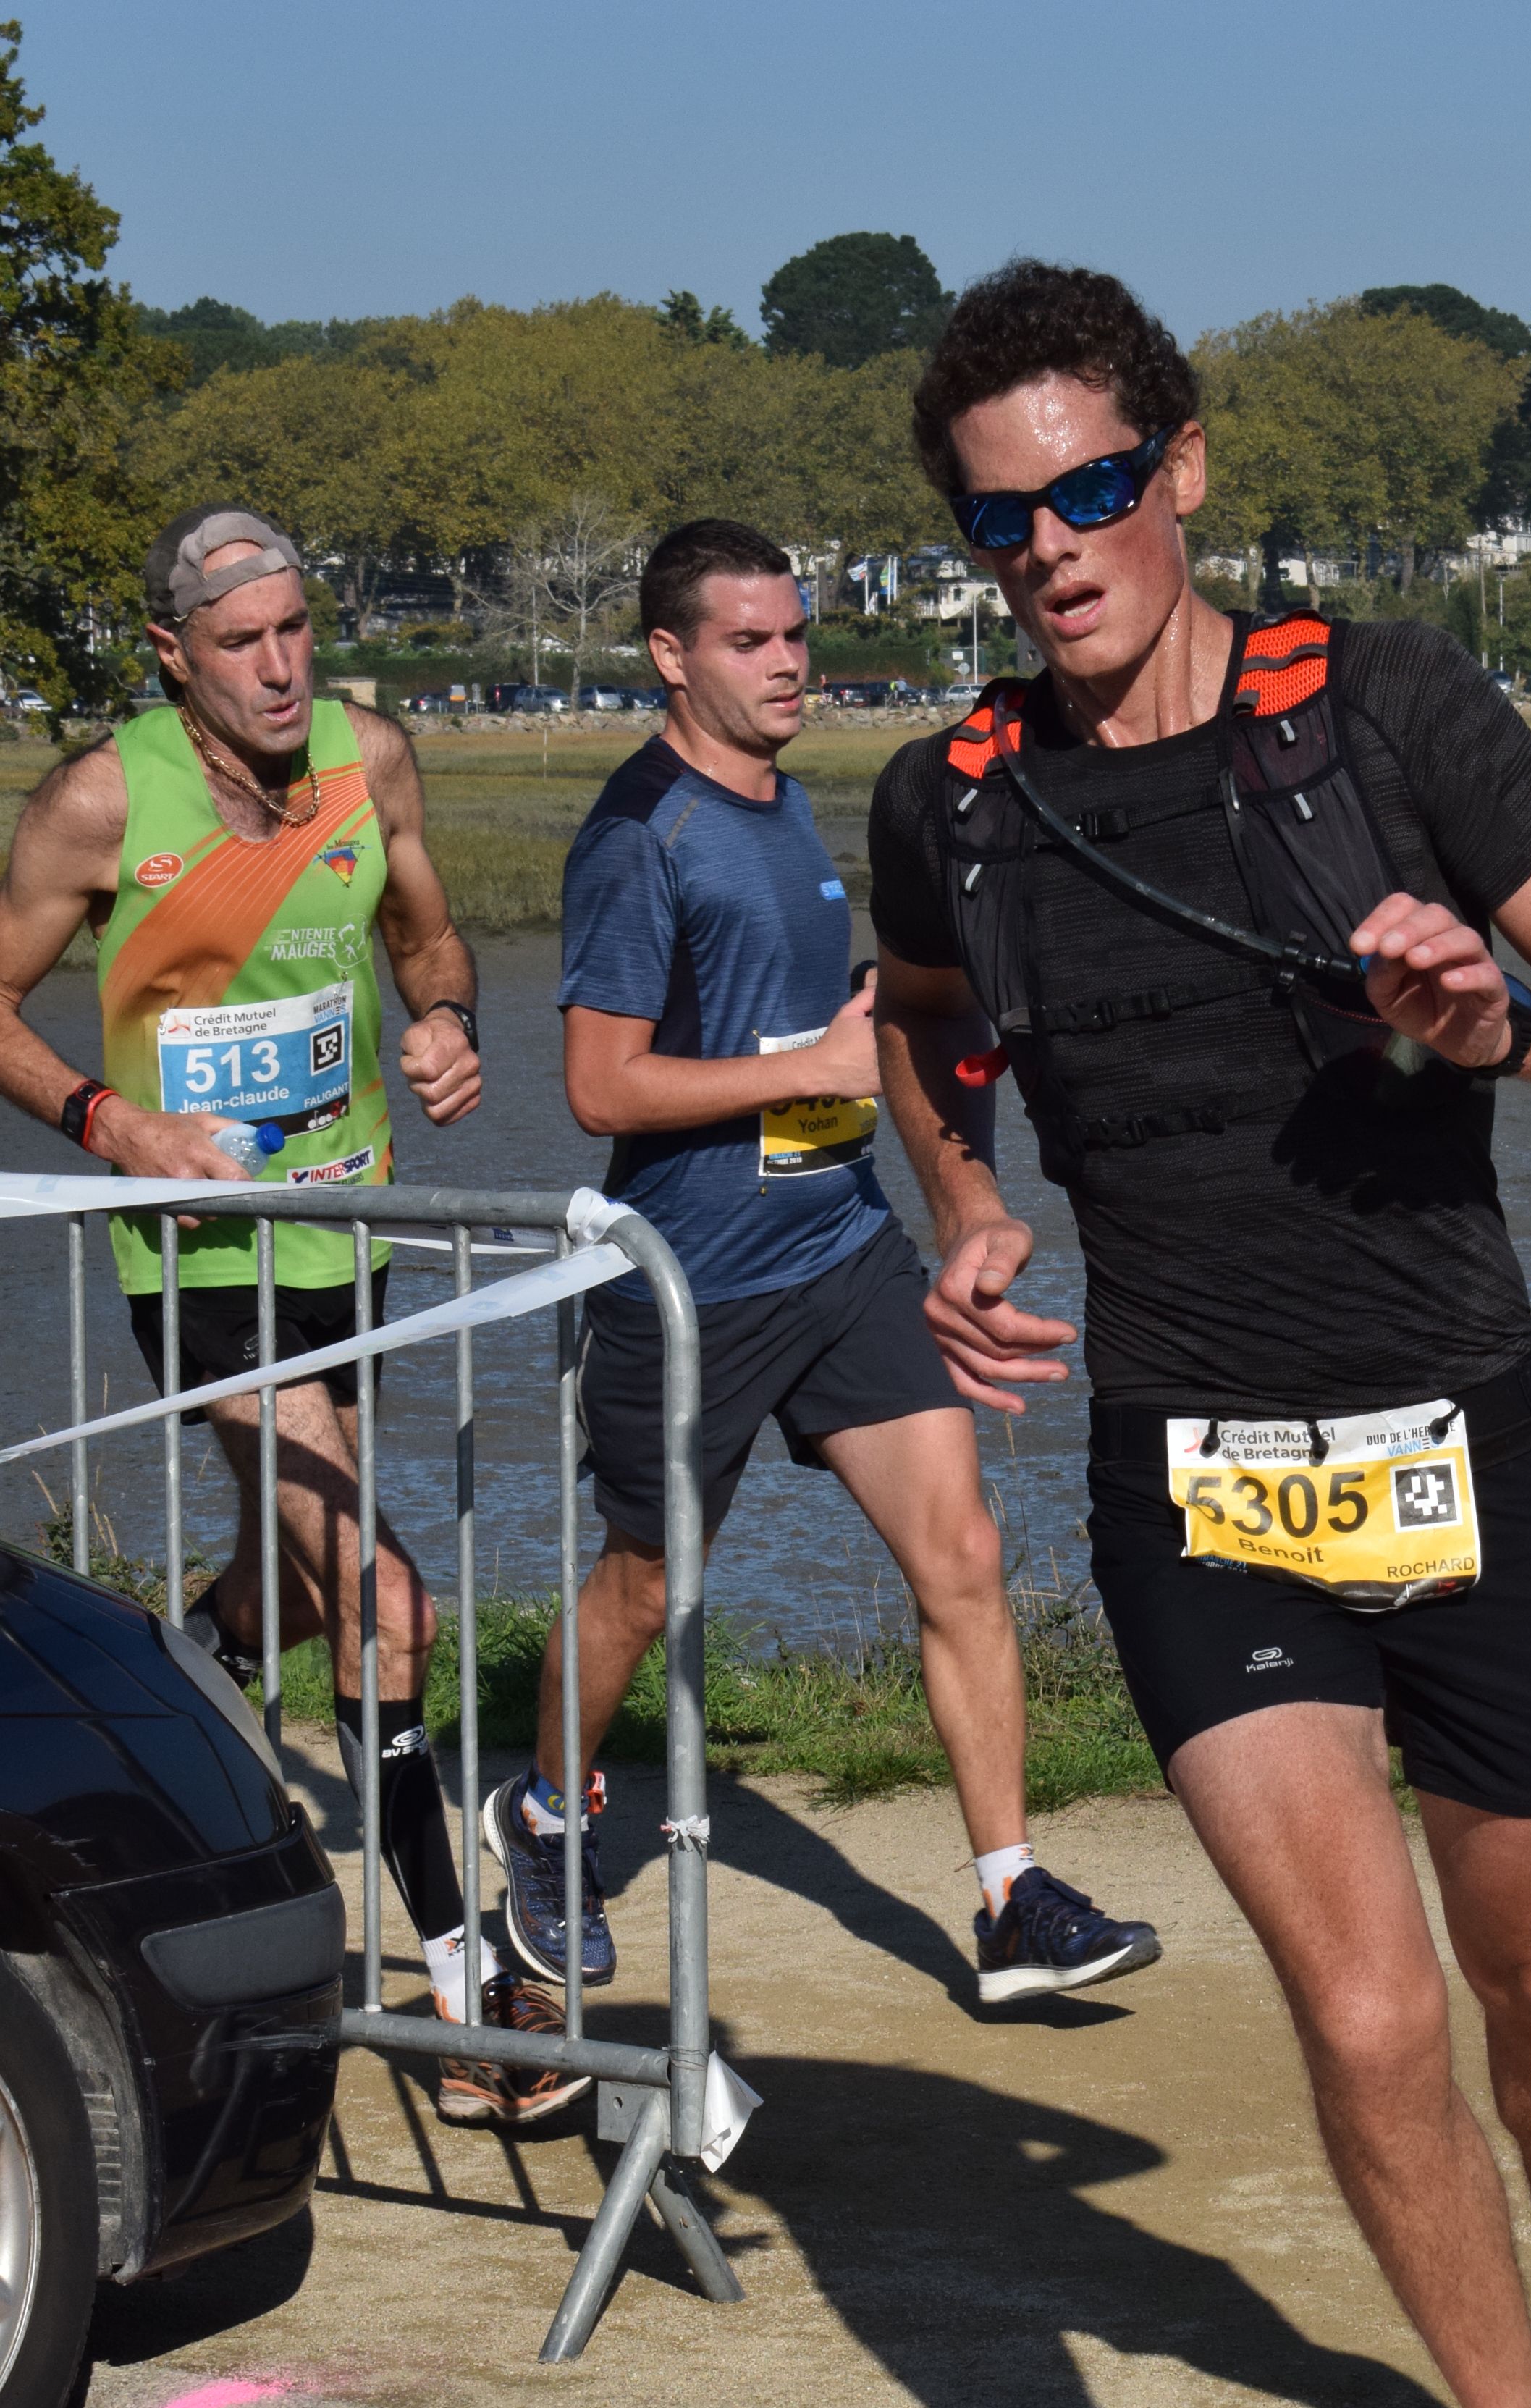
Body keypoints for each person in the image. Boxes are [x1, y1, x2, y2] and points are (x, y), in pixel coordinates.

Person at [867, 264, 1531, 2408]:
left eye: (1093, 490)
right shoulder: (954, 799)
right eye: (1002, 517)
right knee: (1363, 2012)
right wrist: (967, 1207)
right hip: (1201, 1478)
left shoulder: (1389, 708)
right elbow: (920, 1015)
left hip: (1467, 1442)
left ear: (1186, 467)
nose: (1052, 546)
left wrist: (1497, 1017)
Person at [484, 516, 1160, 2009]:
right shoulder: (638, 834)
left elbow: (792, 1031)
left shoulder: (787, 805)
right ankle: (541, 1814)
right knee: (644, 1590)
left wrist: (863, 1034)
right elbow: (601, 1087)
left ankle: (1010, 1894)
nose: (790, 663)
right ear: (670, 656)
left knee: (964, 1554)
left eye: (796, 635)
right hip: (693, 1284)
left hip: (843, 1249)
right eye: (751, 642)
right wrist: (824, 1064)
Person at [0, 502, 580, 2129]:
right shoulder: (103, 801)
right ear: (172, 654)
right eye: (240, 642)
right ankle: (471, 1999)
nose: (278, 667)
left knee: (298, 1580)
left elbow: (427, 935)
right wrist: (116, 1126)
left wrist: (448, 1020)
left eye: (295, 631)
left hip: (346, 1235)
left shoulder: (368, 760)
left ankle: (167, 1687)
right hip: (203, 1259)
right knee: (383, 1597)